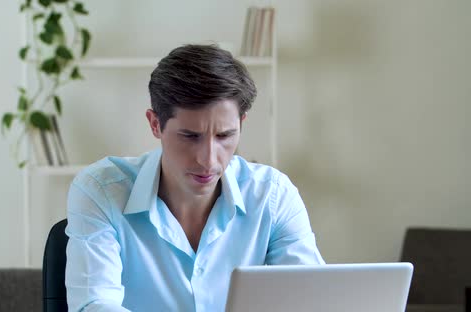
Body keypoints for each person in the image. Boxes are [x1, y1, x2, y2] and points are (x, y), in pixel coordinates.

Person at [65, 44, 324, 312]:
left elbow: (313, 300)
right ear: (155, 124)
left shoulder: (273, 195)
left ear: (241, 124)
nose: (208, 160)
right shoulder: (100, 190)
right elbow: (94, 305)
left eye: (224, 136)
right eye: (190, 136)